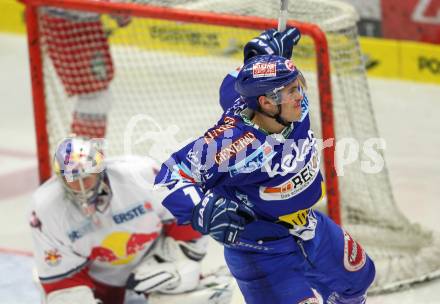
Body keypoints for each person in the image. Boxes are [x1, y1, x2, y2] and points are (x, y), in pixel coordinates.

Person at [153, 28, 376, 303]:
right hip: (261, 251)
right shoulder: (232, 144)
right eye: (292, 90)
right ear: (266, 102)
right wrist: (201, 209)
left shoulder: (290, 107)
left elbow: (234, 81)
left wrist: (262, 56)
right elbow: (170, 174)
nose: (301, 96)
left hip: (308, 225)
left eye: (298, 85)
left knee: (357, 280)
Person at [29, 136, 234, 304]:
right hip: (96, 278)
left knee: (194, 293)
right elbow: (61, 280)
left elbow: (188, 219)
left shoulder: (141, 174)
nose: (82, 187)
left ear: (101, 170)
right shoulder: (46, 209)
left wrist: (180, 266)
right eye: (73, 180)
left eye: (87, 176)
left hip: (152, 262)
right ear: (60, 179)